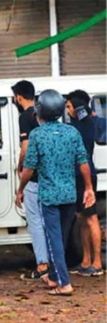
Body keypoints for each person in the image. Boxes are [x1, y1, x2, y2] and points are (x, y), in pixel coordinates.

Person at [16, 89, 95, 296]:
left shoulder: (37, 135)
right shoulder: (72, 132)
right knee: (61, 236)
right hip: (69, 194)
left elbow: (29, 168)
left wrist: (20, 190)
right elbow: (83, 162)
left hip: (49, 196)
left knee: (54, 239)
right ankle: (53, 276)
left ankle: (63, 282)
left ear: (39, 112)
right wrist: (88, 188)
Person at [11, 80, 50, 281]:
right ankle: (53, 263)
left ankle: (42, 264)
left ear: (18, 97)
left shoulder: (25, 117)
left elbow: (25, 148)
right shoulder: (43, 114)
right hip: (49, 174)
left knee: (34, 222)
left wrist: (20, 167)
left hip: (34, 177)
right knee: (49, 221)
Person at [65, 90, 103, 277]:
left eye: (69, 106)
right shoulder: (87, 121)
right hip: (79, 175)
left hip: (85, 176)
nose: (67, 109)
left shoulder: (82, 126)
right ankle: (86, 260)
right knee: (81, 218)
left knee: (91, 217)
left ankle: (96, 263)